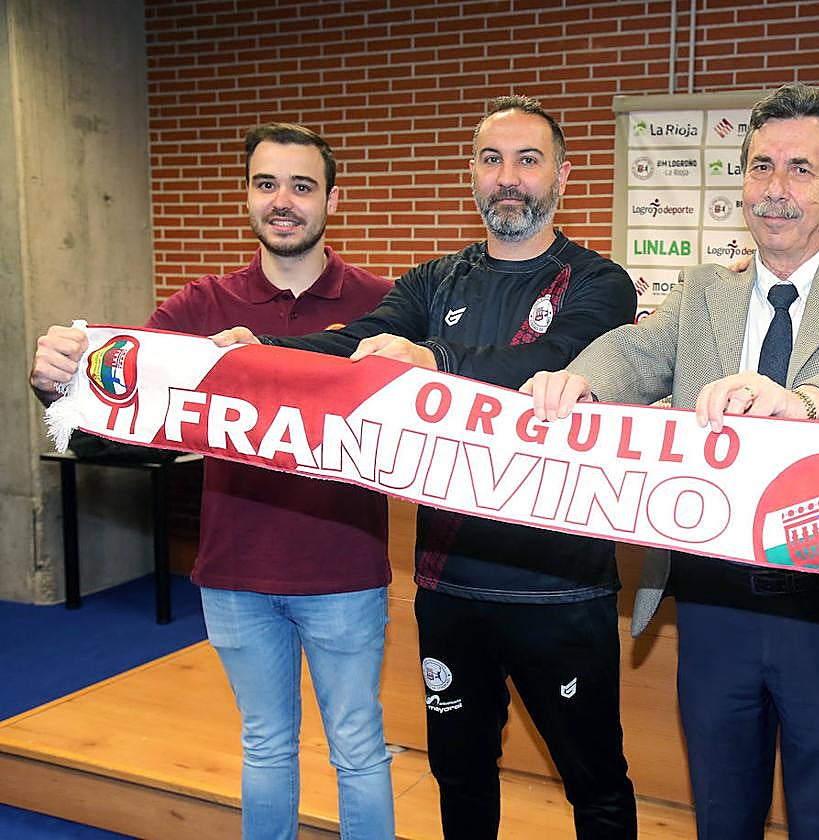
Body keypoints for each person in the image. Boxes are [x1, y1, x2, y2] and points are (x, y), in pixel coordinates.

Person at [212, 96, 638, 840]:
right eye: (492, 159)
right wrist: (256, 355)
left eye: (528, 160)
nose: (509, 178)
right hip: (450, 584)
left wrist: (432, 360)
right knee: (460, 775)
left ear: (563, 177)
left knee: (594, 780)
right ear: (472, 173)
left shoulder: (600, 283)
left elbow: (544, 362)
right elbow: (355, 343)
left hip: (560, 587)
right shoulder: (434, 281)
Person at [525, 82, 819, 840]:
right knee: (721, 815)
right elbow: (634, 350)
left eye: (801, 171)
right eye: (761, 167)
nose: (776, 190)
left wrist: (804, 402)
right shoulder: (706, 289)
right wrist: (578, 378)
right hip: (713, 604)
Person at [29, 124, 396, 838]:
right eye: (266, 184)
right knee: (264, 747)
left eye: (301, 185)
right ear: (247, 197)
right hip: (235, 574)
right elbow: (115, 408)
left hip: (345, 572)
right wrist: (60, 381)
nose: (282, 201)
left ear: (333, 199)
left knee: (358, 750)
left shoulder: (385, 304)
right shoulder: (198, 309)